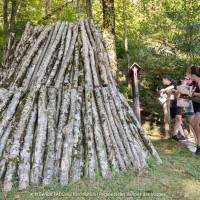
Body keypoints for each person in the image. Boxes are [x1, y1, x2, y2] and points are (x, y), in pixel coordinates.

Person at [185, 65, 200, 155]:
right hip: (198, 105)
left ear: (194, 74)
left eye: (190, 74)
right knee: (194, 125)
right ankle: (198, 146)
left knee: (194, 124)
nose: (189, 76)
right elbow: (187, 84)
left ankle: (198, 147)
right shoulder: (195, 82)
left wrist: (194, 93)